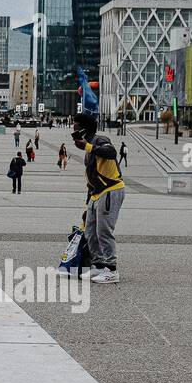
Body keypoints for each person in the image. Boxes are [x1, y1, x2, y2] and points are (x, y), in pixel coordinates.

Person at [72, 111, 123, 284]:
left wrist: (87, 147)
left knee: (103, 231)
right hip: (96, 193)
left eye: (76, 128)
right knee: (90, 230)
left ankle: (111, 269)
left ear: (84, 130)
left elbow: (111, 152)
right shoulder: (90, 144)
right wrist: (88, 203)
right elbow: (92, 176)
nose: (73, 131)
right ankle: (99, 264)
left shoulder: (100, 141)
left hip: (111, 189)